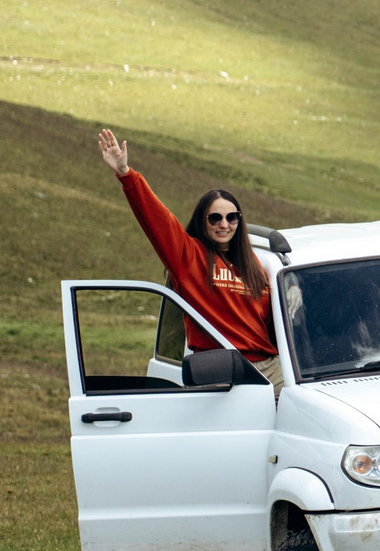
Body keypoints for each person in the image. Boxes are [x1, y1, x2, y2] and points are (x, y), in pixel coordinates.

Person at [95, 130, 279, 378]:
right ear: (203, 221)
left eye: (231, 217)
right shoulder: (189, 257)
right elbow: (159, 221)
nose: (224, 224)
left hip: (271, 366)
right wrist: (127, 175)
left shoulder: (256, 265)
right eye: (215, 217)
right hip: (224, 369)